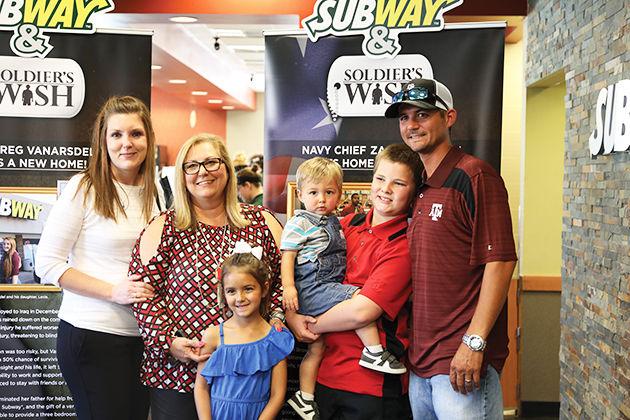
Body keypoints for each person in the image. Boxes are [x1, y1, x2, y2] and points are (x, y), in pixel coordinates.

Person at [384, 78, 517, 419]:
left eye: (423, 114)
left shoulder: (475, 176)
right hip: (420, 362)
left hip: (462, 365)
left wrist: (474, 343)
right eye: (404, 117)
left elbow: (500, 262)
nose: (411, 125)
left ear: (449, 117)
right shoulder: (421, 189)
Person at [129, 133, 285, 420]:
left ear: (226, 168)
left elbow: (281, 285)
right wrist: (169, 342)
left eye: (211, 162)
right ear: (182, 174)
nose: (202, 172)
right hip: (178, 373)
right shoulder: (164, 227)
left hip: (246, 375)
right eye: (192, 165)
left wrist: (275, 320)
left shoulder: (262, 223)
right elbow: (141, 294)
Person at [36, 96, 162, 420]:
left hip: (143, 339)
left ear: (148, 138)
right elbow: (47, 263)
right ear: (103, 141)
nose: (126, 143)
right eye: (116, 135)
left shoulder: (156, 191)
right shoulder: (85, 188)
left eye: (135, 134)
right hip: (93, 336)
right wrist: (112, 291)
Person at [287, 144, 422, 419]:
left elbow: (363, 311)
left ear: (413, 192)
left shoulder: (404, 245)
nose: (385, 189)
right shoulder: (344, 225)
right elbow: (299, 267)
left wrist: (308, 324)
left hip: (370, 385)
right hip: (324, 375)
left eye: (398, 183)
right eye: (380, 179)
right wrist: (291, 316)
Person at [194, 252, 294, 420]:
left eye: (248, 289)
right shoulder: (213, 336)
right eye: (231, 291)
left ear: (264, 288)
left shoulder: (275, 339)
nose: (239, 298)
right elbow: (201, 388)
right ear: (223, 293)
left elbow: (277, 396)